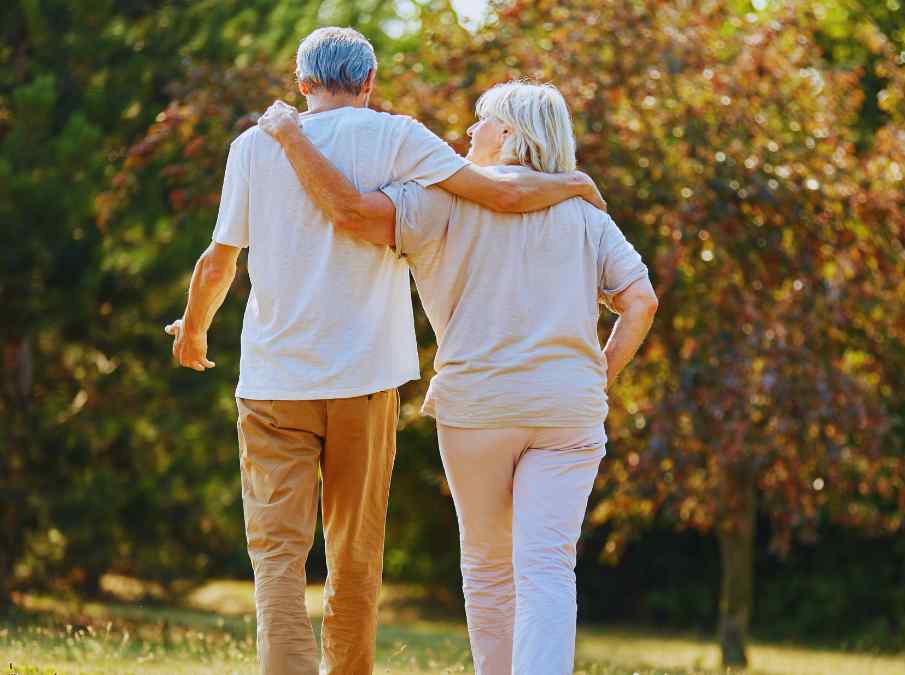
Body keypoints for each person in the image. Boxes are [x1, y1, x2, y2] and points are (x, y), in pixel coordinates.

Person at [164, 28, 605, 675]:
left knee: (278, 556)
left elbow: (219, 259)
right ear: (369, 82)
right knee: (355, 553)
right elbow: (502, 193)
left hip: (272, 385)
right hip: (364, 381)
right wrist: (575, 187)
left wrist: (195, 326)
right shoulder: (397, 137)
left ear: (301, 80)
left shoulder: (253, 146)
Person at [256, 81, 658, 674]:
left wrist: (292, 141)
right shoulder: (585, 213)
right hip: (567, 410)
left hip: (479, 406)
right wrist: (595, 378)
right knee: (548, 564)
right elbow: (641, 302)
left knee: (491, 566)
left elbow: (355, 215)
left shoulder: (437, 202)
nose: (469, 133)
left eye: (482, 122)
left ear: (510, 135)